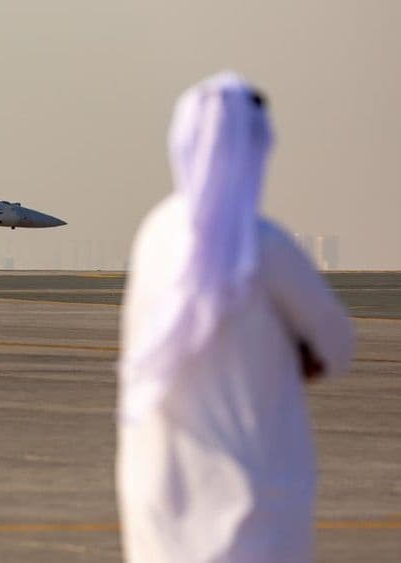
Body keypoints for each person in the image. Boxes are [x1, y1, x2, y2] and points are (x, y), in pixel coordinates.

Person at [117, 72, 353, 562]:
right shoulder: (264, 246)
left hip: (157, 487)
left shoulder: (155, 234)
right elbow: (338, 343)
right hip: (253, 499)